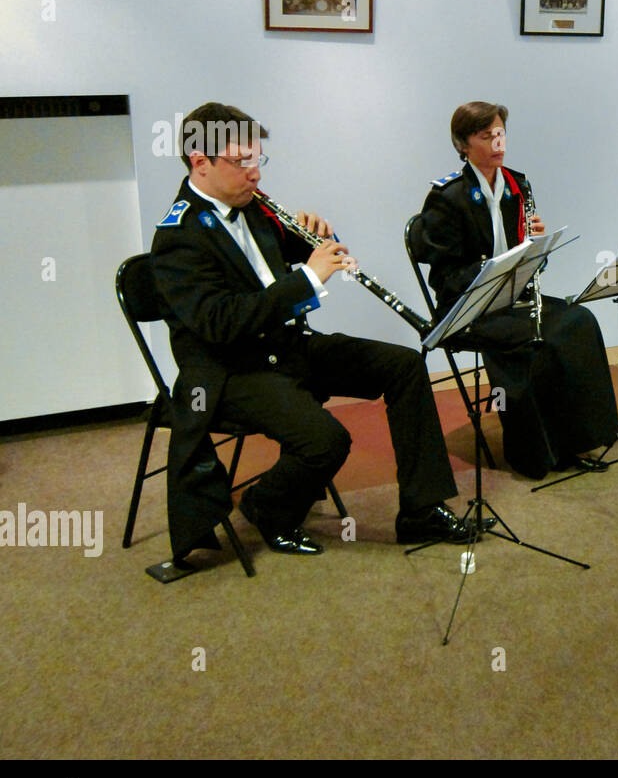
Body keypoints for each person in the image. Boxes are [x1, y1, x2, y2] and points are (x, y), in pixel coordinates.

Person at [151, 102, 474, 563]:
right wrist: (308, 277)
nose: (255, 173)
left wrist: (315, 239)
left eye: (257, 159)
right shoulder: (179, 236)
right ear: (200, 162)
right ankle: (268, 506)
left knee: (403, 365)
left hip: (283, 346)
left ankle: (421, 508)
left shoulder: (253, 206)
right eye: (242, 162)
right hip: (229, 371)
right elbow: (221, 323)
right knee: (327, 440)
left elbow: (277, 268)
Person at [414, 102, 618, 480]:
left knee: (578, 321)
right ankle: (534, 451)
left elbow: (534, 264)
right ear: (463, 144)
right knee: (534, 339)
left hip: (511, 297)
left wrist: (535, 247)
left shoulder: (516, 184)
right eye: (485, 136)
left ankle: (578, 439)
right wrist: (495, 269)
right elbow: (445, 275)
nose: (497, 143)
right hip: (467, 306)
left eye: (500, 133)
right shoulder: (448, 197)